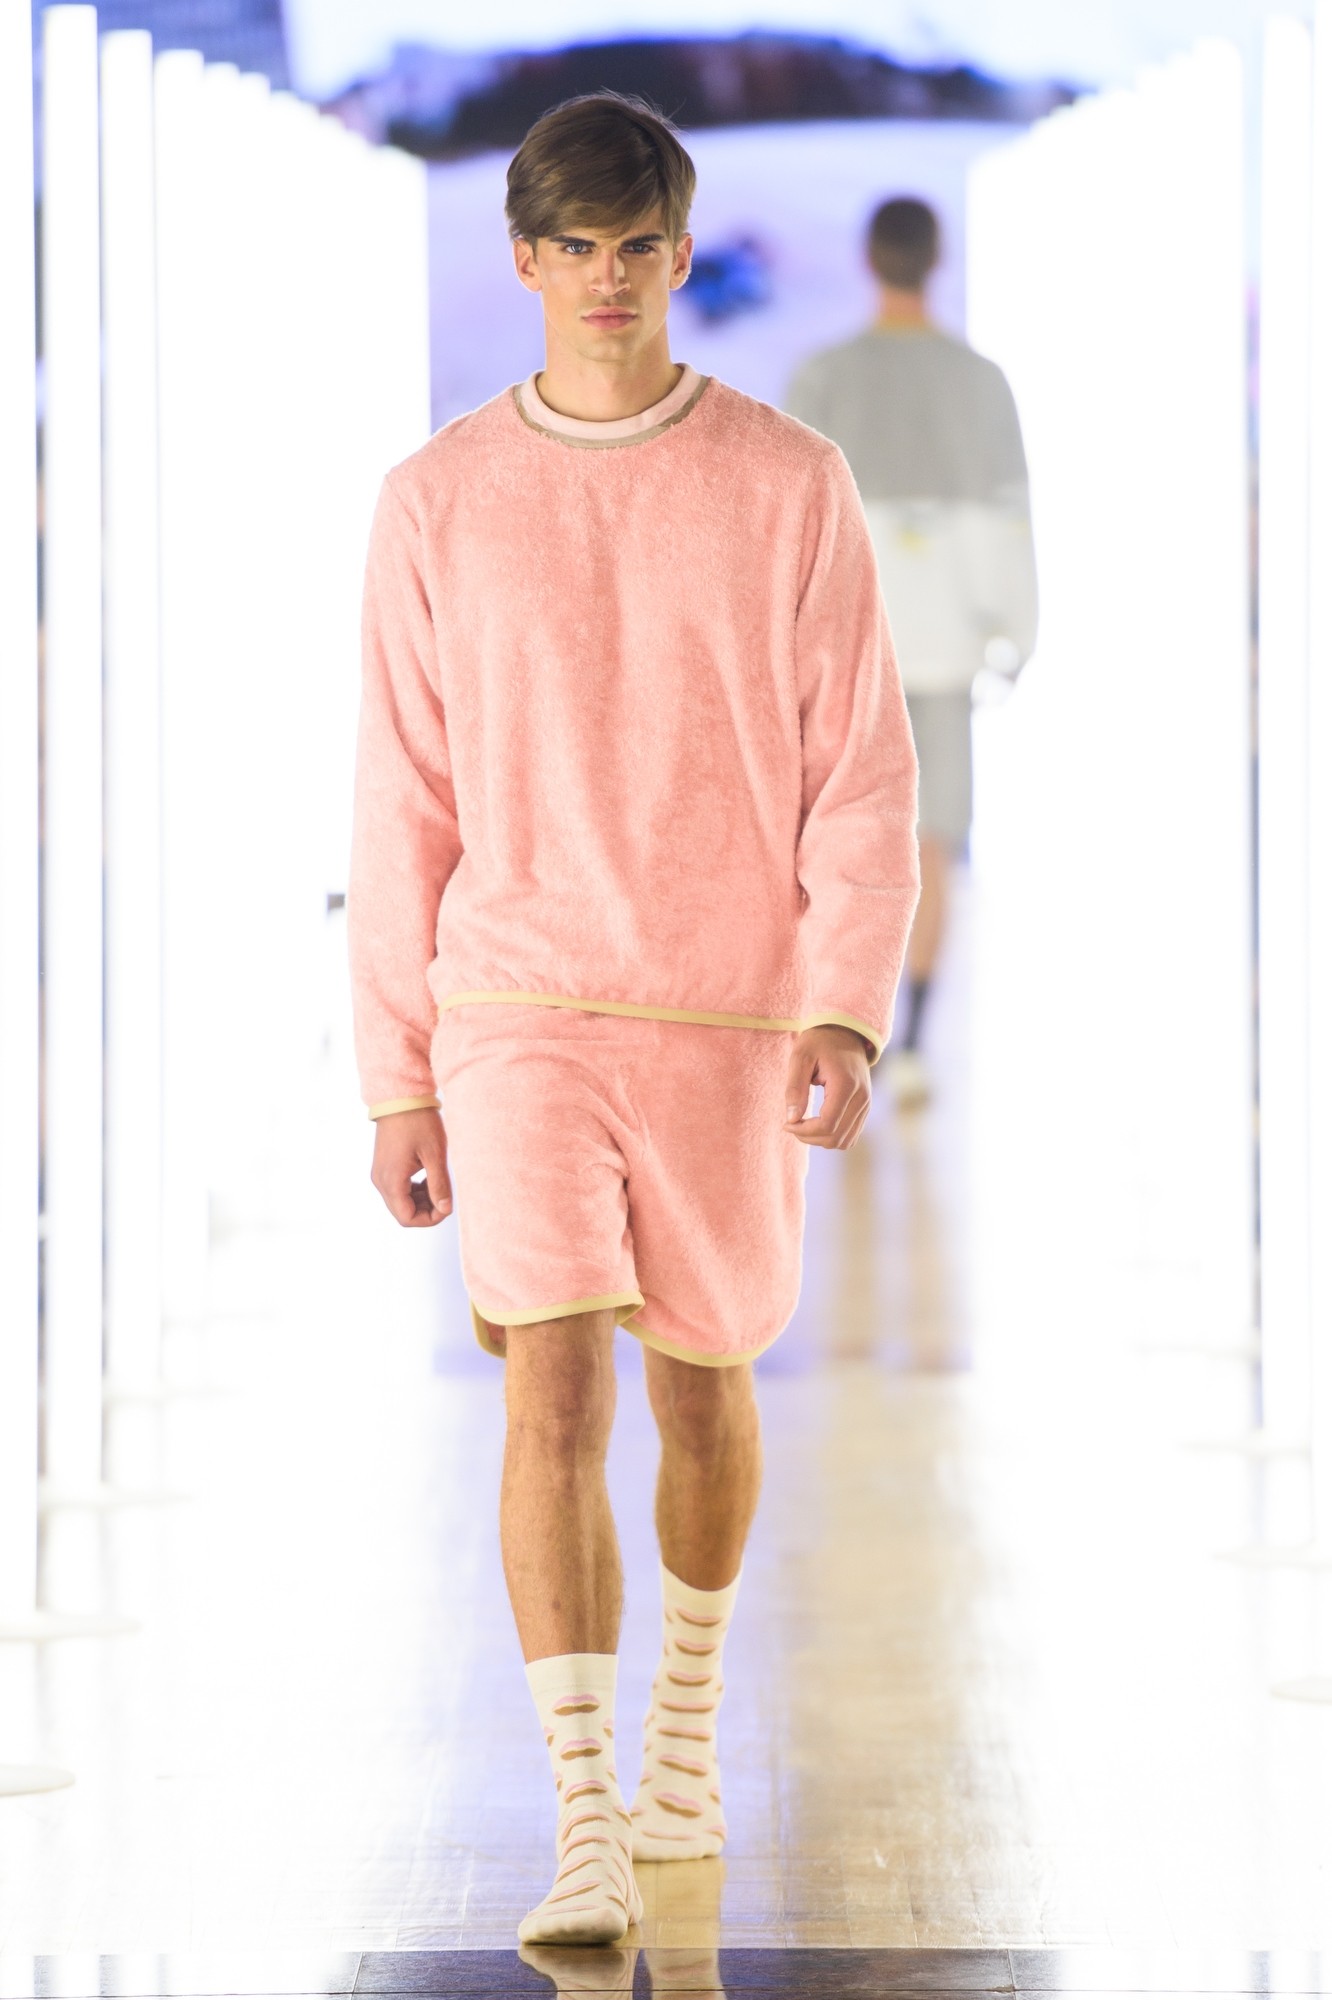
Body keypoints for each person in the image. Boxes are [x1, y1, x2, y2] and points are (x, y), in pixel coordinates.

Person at [347, 93, 919, 1949]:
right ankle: (582, 1819)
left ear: (680, 254)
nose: (607, 280)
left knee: (701, 1380)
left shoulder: (789, 483)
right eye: (575, 249)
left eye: (637, 247)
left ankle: (684, 1738)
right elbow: (402, 800)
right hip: (514, 1002)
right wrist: (396, 1072)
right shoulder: (434, 502)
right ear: (524, 259)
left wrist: (844, 1001)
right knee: (553, 1380)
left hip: (723, 1006)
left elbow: (860, 769)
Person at [787, 196, 1037, 1107]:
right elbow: (1007, 521)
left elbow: (786, 534)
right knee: (930, 843)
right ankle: (913, 1039)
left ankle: (846, 1027)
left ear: (870, 259)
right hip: (943, 650)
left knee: (833, 841)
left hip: (842, 656)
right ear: (937, 258)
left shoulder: (824, 378)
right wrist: (1017, 637)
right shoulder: (980, 383)